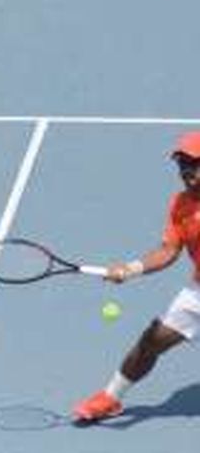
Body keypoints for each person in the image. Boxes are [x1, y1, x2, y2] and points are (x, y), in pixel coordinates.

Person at [73, 131, 200, 421]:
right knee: (151, 340)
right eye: (182, 165)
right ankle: (110, 398)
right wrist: (132, 269)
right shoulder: (180, 204)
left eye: (194, 164)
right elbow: (169, 250)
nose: (186, 171)